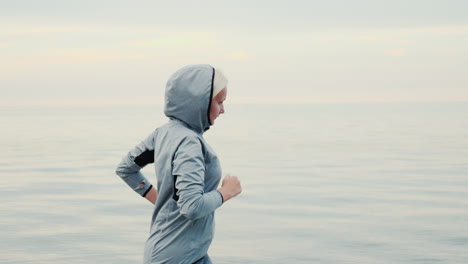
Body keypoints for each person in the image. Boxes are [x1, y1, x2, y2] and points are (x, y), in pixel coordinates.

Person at [115, 64, 242, 264]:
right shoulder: (189, 143)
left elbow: (126, 170)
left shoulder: (163, 133)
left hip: (187, 253)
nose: (223, 110)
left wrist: (162, 203)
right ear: (199, 101)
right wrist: (226, 192)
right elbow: (192, 207)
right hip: (177, 258)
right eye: (219, 102)